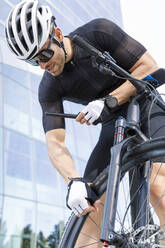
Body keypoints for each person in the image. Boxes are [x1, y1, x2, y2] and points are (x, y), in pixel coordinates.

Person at [5, 0, 165, 247]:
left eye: (44, 54)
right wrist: (73, 182)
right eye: (32, 62)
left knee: (158, 185)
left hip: (146, 103)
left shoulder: (97, 32)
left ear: (57, 34)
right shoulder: (48, 88)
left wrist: (108, 101)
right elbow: (55, 143)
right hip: (113, 123)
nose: (42, 65)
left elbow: (150, 68)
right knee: (87, 211)